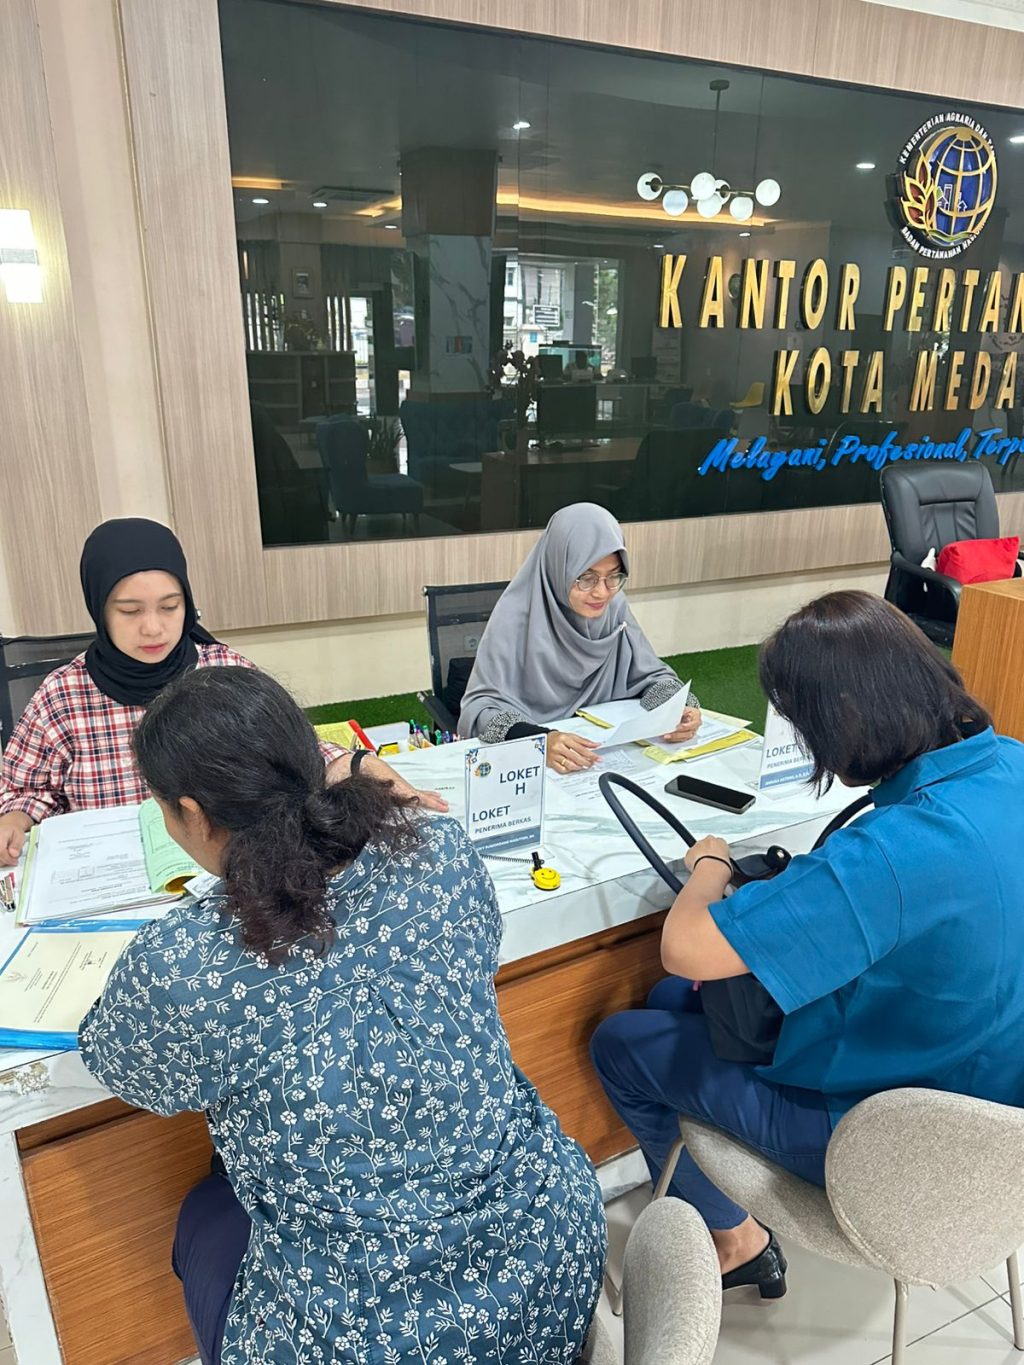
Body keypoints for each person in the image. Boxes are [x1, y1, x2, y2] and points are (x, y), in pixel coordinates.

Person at [78, 666, 606, 1365]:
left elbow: (118, 1063)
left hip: (373, 1340)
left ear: (194, 815)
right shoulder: (439, 851)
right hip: (550, 1259)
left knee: (207, 1211)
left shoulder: (182, 966)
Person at [591, 590, 1024, 1299]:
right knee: (674, 1003)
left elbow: (688, 946)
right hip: (993, 1128)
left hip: (885, 1143)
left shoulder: (893, 852)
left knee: (622, 1041)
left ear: (845, 717)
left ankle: (737, 1240)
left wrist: (710, 867)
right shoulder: (1010, 765)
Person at [0, 518, 443, 864]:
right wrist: (15, 819)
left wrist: (365, 769)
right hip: (110, 877)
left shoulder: (222, 671)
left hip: (218, 869)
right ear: (98, 608)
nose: (153, 627)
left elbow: (298, 753)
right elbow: (24, 790)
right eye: (130, 611)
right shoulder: (63, 695)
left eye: (170, 607)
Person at [459, 504, 700, 772]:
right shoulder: (515, 617)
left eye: (614, 577)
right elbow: (481, 710)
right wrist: (540, 740)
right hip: (538, 768)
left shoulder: (614, 609)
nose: (601, 593)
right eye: (586, 578)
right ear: (558, 568)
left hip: (603, 756)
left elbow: (651, 675)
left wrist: (679, 708)